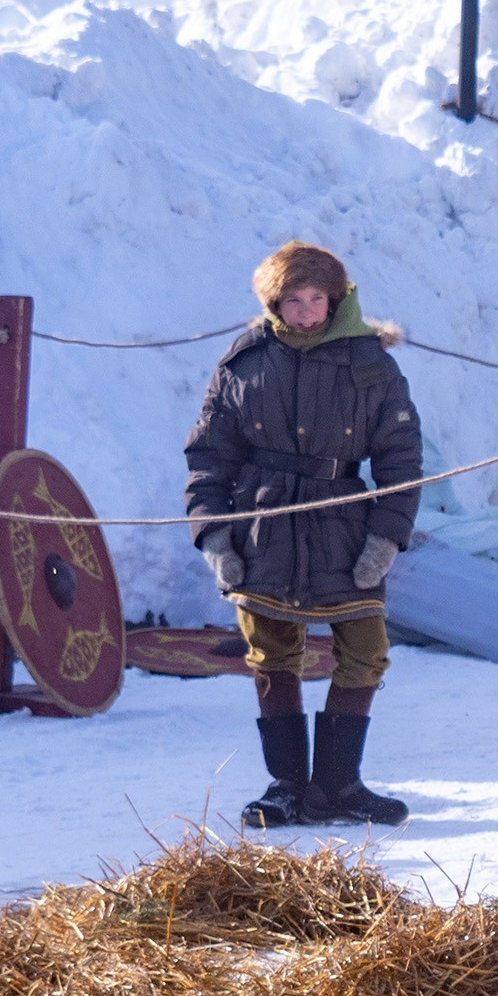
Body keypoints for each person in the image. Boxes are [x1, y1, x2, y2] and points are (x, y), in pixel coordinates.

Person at [186, 241, 420, 829]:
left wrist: (386, 538)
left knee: (365, 652)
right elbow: (210, 456)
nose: (308, 311)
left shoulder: (371, 364)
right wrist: (214, 534)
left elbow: (401, 459)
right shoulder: (244, 362)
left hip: (343, 526)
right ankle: (285, 786)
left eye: (318, 298)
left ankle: (339, 786)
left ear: (335, 300)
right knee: (271, 651)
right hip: (264, 526)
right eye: (294, 300)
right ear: (275, 302)